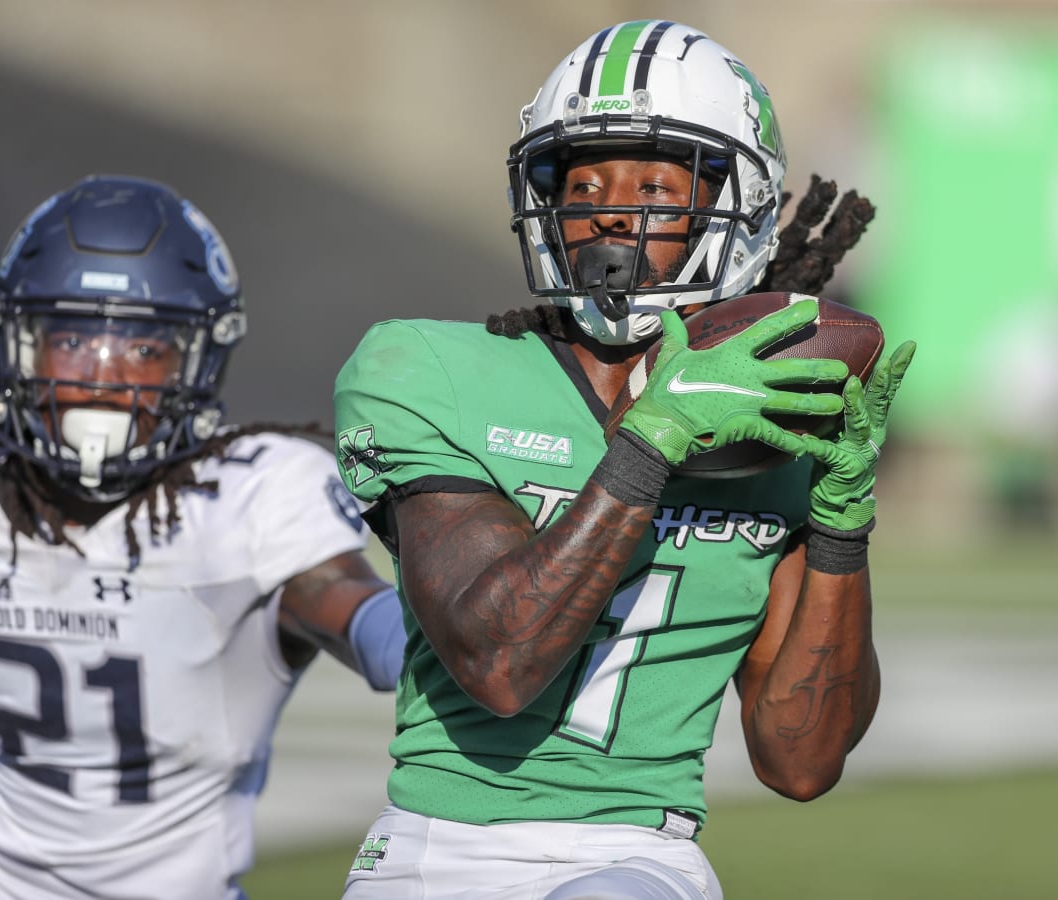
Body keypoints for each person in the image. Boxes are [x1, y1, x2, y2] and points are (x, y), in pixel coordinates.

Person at [334, 19, 914, 900]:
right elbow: (499, 664)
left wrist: (842, 527)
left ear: (740, 204)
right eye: (583, 180)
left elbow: (800, 762)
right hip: (435, 849)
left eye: (653, 182)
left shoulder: (776, 422)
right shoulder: (430, 369)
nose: (609, 207)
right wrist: (651, 442)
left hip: (636, 854)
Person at [0, 175, 406, 900]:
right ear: (16, 346)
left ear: (199, 359)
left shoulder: (247, 497)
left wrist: (459, 630)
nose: (100, 380)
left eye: (142, 346)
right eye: (74, 339)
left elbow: (373, 624)